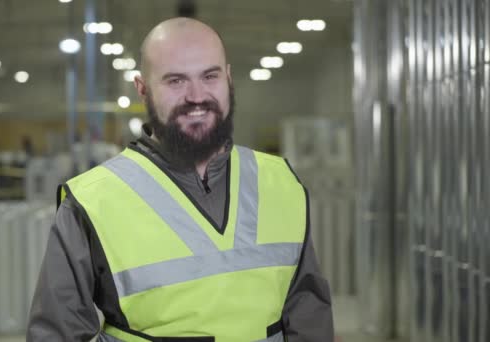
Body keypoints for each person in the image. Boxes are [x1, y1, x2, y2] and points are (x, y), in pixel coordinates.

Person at [27, 17, 333, 342]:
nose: (197, 96)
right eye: (176, 81)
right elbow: (57, 334)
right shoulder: (92, 201)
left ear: (228, 78)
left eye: (210, 76)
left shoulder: (280, 183)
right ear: (142, 88)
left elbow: (308, 313)